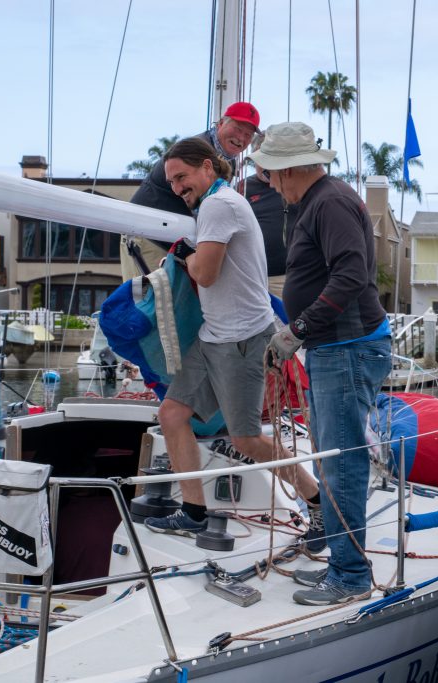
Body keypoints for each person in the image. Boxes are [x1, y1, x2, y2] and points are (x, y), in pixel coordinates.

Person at [143, 137, 318, 537]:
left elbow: (205, 274)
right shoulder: (215, 204)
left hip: (244, 339)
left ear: (207, 167)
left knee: (247, 440)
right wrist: (189, 254)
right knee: (172, 415)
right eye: (171, 182)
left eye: (182, 177)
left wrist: (181, 255)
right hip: (214, 335)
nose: (177, 188)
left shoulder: (219, 206)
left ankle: (317, 500)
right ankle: (193, 512)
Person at [252, 122, 392, 606]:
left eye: (271, 174)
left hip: (346, 347)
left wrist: (298, 329)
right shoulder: (320, 200)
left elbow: (351, 273)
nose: (271, 184)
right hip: (335, 348)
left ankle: (350, 576)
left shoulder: (328, 202)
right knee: (333, 461)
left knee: (341, 463)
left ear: (289, 170)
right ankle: (342, 564)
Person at [120, 101, 261, 279]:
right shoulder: (196, 150)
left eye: (248, 134)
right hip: (149, 236)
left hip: (174, 240)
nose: (241, 137)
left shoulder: (227, 161)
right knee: (150, 296)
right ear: (220, 124)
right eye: (238, 128)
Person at [238, 133, 297, 299]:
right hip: (251, 279)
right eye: (261, 159)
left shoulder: (294, 185)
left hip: (287, 278)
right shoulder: (243, 187)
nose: (265, 166)